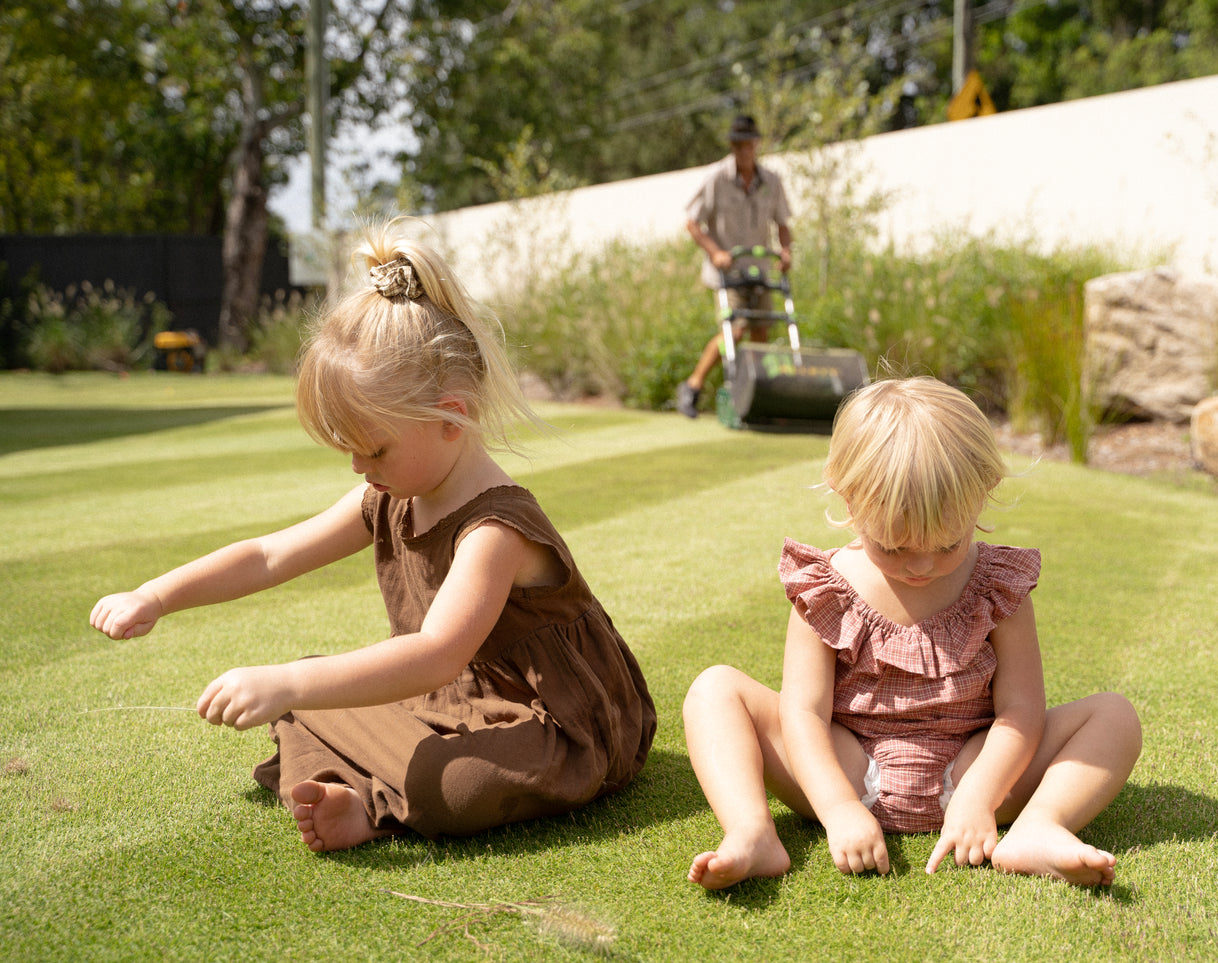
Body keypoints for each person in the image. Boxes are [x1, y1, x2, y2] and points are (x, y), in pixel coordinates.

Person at [90, 220, 657, 853]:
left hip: (556, 728)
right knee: (306, 689)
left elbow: (437, 654)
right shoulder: (389, 496)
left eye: (375, 449)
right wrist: (156, 595)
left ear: (451, 417)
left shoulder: (494, 530)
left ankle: (369, 795)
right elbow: (269, 555)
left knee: (450, 779)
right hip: (448, 705)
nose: (360, 467)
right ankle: (351, 797)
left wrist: (289, 684)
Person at [683, 376, 1142, 889]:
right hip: (848, 770)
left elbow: (1021, 711)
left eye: (946, 545)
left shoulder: (998, 585)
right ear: (847, 497)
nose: (921, 566)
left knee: (1114, 715)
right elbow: (804, 714)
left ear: (984, 493)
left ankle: (1039, 826)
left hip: (976, 772)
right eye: (894, 547)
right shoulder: (825, 587)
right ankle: (752, 831)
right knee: (714, 690)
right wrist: (838, 807)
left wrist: (979, 796)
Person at [675, 114, 793, 418]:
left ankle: (756, 394)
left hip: (760, 269)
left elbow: (782, 222)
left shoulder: (772, 181)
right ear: (732, 146)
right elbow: (692, 222)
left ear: (756, 145)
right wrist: (716, 252)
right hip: (728, 272)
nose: (743, 151)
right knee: (735, 331)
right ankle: (693, 385)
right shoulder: (717, 179)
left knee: (761, 331)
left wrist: (785, 251)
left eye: (748, 145)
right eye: (738, 146)